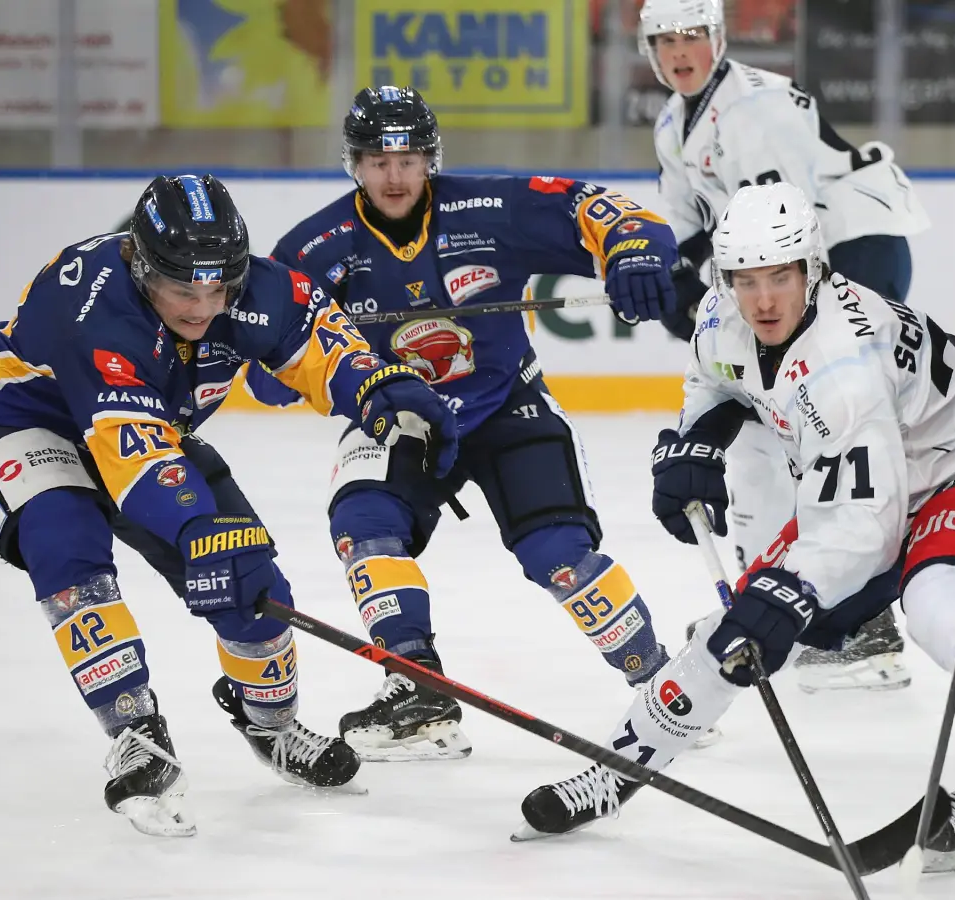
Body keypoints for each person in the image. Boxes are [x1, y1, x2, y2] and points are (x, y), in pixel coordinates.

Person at [513, 184, 955, 898]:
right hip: (868, 473)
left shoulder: (840, 364)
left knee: (944, 611)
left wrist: (788, 593)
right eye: (746, 280)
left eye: (779, 277)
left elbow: (867, 524)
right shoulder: (723, 315)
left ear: (811, 270)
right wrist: (696, 441)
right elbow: (716, 379)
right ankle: (617, 769)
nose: (762, 300)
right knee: (733, 635)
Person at [0, 174, 461, 836]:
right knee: (68, 551)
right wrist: (196, 526)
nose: (202, 306)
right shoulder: (94, 310)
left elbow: (320, 340)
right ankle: (135, 731)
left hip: (148, 431)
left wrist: (377, 387)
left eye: (218, 287)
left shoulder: (251, 289)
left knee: (253, 584)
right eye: (182, 289)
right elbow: (131, 455)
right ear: (139, 264)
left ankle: (270, 725)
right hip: (26, 422)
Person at [265, 86, 684, 761]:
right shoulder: (315, 246)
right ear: (353, 164)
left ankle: (664, 682)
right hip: (397, 415)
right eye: (377, 160)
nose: (394, 176)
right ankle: (417, 686)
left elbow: (596, 207)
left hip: (506, 405)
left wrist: (633, 250)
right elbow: (265, 337)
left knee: (559, 557)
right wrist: (273, 365)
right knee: (365, 526)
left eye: (409, 159)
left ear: (433, 159)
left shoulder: (489, 208)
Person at [637, 0, 931, 693]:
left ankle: (846, 620)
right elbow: (685, 232)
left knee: (808, 426)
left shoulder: (757, 108)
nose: (680, 51)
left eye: (692, 36)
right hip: (794, 262)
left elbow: (782, 225)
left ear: (718, 38)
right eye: (666, 40)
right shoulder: (672, 123)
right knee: (767, 432)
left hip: (854, 246)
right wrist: (665, 282)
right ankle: (795, 602)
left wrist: (706, 290)